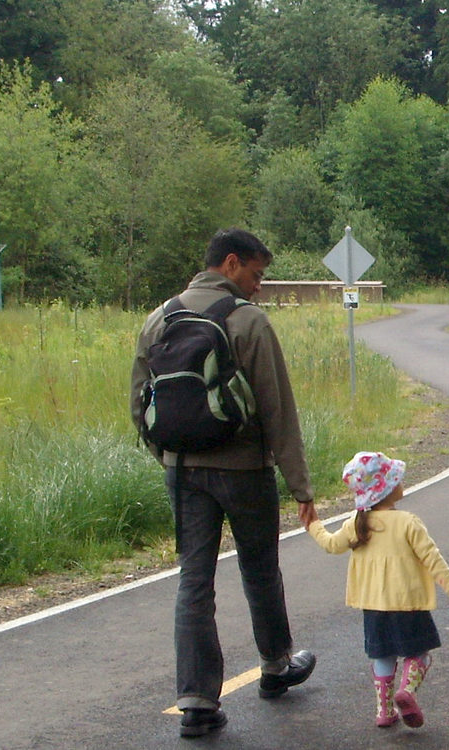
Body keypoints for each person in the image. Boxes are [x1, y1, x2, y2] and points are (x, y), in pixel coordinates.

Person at [130, 228, 319, 738]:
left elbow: (138, 402)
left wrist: (171, 456)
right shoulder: (248, 321)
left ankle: (197, 701)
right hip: (245, 471)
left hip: (182, 470)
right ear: (231, 264)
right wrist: (300, 486)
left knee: (194, 581)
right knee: (260, 568)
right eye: (256, 275)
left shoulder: (159, 318)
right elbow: (278, 409)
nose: (259, 286)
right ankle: (277, 665)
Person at [306, 451, 449, 729]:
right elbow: (433, 559)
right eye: (397, 479)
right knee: (418, 654)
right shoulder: (408, 522)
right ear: (387, 489)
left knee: (382, 656)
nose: (401, 482)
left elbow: (331, 545)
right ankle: (406, 691)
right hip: (408, 604)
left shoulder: (357, 524)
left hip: (373, 607)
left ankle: (384, 712)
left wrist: (312, 524)